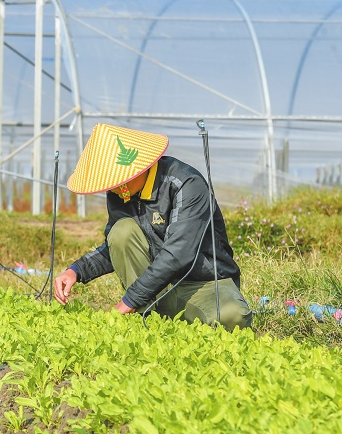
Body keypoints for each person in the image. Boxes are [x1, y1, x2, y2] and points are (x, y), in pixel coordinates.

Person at [53, 123, 252, 331]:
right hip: (155, 289)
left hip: (202, 285)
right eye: (112, 185)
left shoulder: (186, 183)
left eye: (120, 182)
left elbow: (178, 253)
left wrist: (128, 301)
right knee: (121, 230)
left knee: (233, 316)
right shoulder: (121, 193)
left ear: (139, 167)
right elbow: (117, 244)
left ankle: (156, 315)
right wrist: (75, 271)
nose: (117, 190)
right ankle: (147, 316)